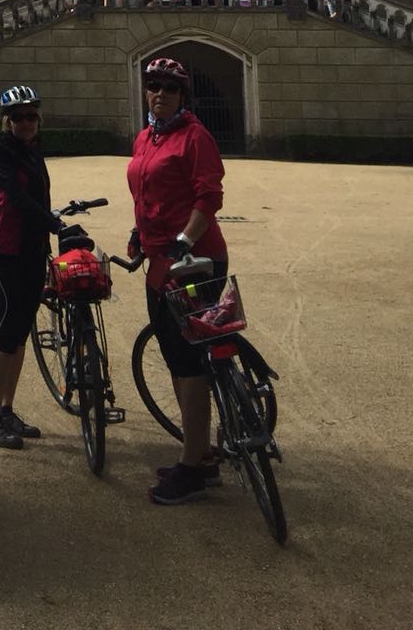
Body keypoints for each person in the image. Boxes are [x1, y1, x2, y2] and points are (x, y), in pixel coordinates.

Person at [127, 56, 228, 506]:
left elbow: (209, 197)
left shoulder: (195, 136)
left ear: (183, 95)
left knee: (188, 363)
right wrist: (139, 233)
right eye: (154, 86)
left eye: (170, 87)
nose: (160, 94)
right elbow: (147, 194)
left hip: (194, 261)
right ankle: (200, 450)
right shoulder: (145, 137)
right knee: (175, 357)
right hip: (159, 263)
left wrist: (185, 239)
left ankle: (193, 468)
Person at [0, 85, 62, 449]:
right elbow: (16, 197)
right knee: (7, 331)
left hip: (31, 249)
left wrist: (49, 231)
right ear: (7, 121)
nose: (25, 123)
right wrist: (55, 224)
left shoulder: (32, 147)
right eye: (18, 117)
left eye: (30, 116)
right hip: (6, 249)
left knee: (20, 333)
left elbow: (39, 198)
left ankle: (6, 408)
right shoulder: (0, 150)